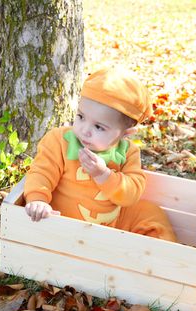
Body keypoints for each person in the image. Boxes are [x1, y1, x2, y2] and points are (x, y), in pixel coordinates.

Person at [24, 66, 177, 242]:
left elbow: (132, 193)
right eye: (81, 117)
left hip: (108, 229)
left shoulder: (128, 152)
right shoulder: (59, 140)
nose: (84, 130)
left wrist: (103, 175)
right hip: (61, 224)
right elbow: (42, 172)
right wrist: (38, 199)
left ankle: (161, 258)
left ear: (125, 133)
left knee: (152, 213)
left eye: (99, 127)